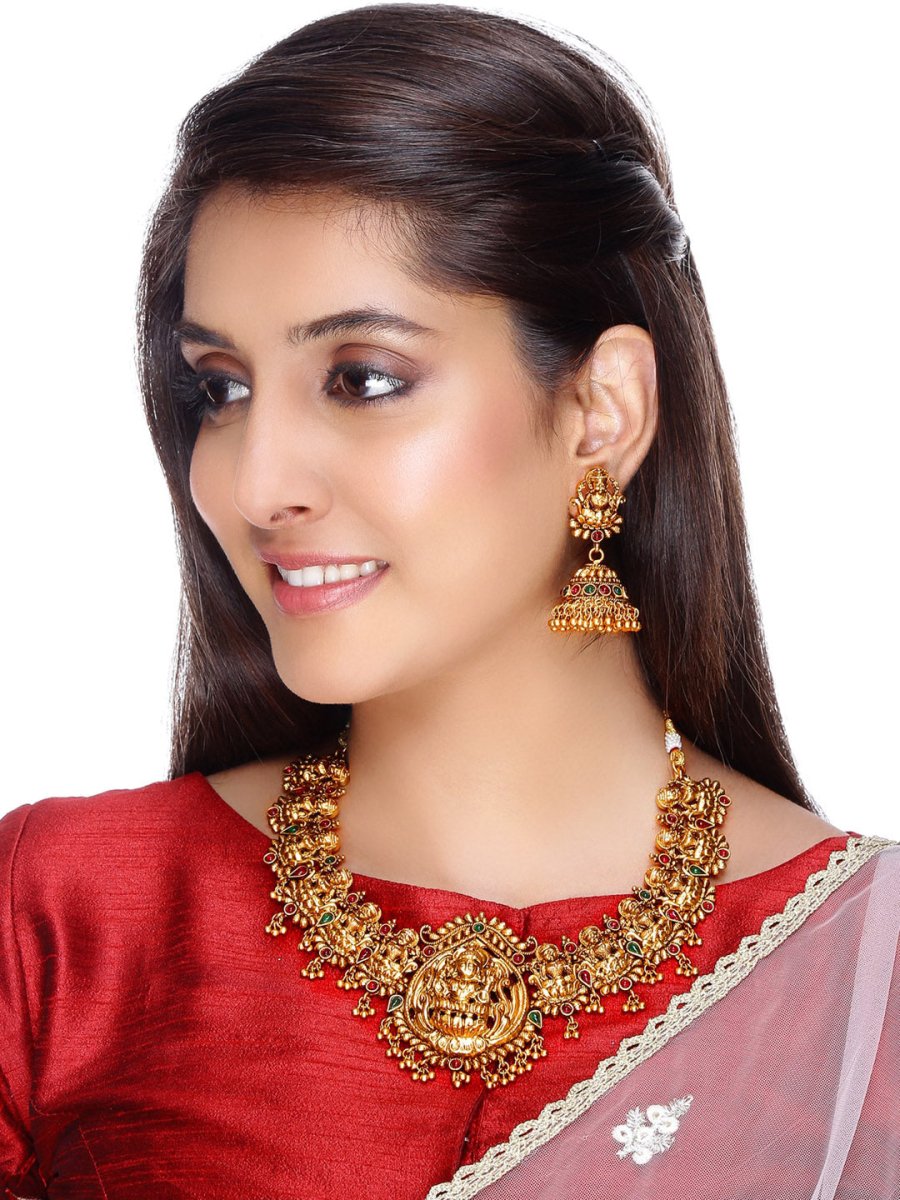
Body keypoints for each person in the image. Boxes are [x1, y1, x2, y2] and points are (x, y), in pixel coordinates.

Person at [1, 4, 896, 1198]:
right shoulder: (68, 921)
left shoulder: (865, 975)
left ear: (602, 411)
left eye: (362, 379)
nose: (255, 484)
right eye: (220, 388)